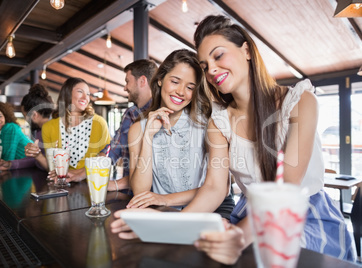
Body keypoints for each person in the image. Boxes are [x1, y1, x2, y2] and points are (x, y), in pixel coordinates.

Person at [112, 15, 356, 264]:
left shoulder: (300, 102)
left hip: (304, 218)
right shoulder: (219, 121)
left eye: (218, 56)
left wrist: (239, 235)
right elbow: (215, 188)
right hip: (248, 214)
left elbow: (287, 191)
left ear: (247, 50)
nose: (212, 70)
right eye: (205, 66)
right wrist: (166, 226)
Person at [126, 49, 235, 217]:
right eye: (175, 81)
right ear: (160, 79)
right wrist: (148, 137)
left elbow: (221, 187)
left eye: (190, 87)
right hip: (164, 212)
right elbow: (140, 191)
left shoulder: (209, 122)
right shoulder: (137, 129)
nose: (181, 92)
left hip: (210, 209)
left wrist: (165, 199)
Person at [99, 59, 157, 192]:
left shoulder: (160, 114)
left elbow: (156, 169)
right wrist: (89, 170)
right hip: (128, 197)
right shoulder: (130, 113)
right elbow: (114, 149)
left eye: (127, 81)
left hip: (152, 199)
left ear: (142, 81)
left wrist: (117, 184)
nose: (125, 88)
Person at [42, 77, 111, 182]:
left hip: (92, 186)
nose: (85, 97)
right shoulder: (48, 127)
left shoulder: (99, 123)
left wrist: (81, 173)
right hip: (62, 185)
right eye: (80, 92)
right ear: (67, 94)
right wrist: (38, 155)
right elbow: (52, 167)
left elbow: (105, 158)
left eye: (88, 94)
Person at [21, 84, 55, 170]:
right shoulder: (40, 132)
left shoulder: (53, 130)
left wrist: (37, 155)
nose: (26, 120)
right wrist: (11, 164)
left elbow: (56, 168)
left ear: (34, 115)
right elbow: (35, 161)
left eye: (25, 116)